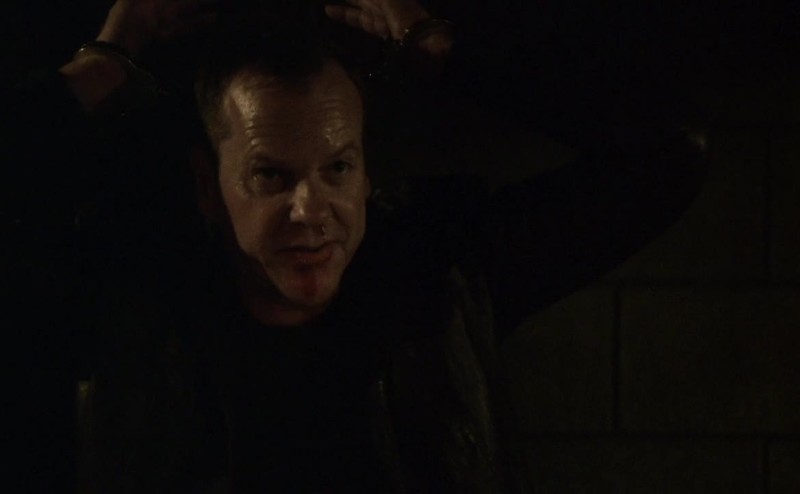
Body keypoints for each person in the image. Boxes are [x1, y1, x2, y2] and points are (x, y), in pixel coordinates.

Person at [2, 0, 707, 491]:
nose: (311, 211)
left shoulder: (441, 279)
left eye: (337, 169)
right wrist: (103, 67)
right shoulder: (129, 298)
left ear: (367, 173)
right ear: (208, 186)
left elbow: (665, 157)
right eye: (271, 175)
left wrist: (443, 50)